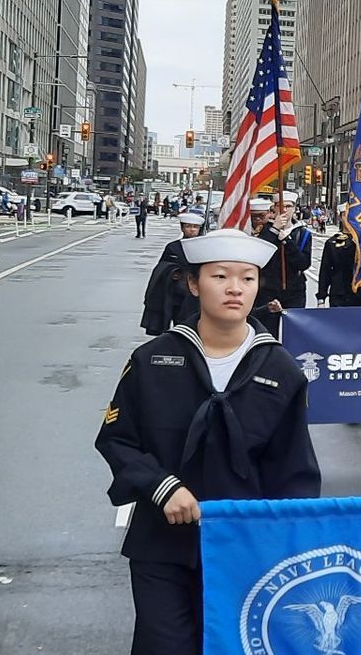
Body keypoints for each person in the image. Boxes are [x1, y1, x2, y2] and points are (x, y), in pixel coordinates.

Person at [95, 227, 322, 654]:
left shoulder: (281, 369)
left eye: (247, 278)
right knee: (163, 646)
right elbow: (117, 439)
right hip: (161, 544)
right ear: (194, 284)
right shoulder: (153, 360)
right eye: (220, 277)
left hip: (244, 549)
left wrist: (287, 543)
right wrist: (163, 488)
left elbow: (294, 474)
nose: (235, 288)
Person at [250, 198, 311, 336]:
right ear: (274, 209)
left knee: (295, 332)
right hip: (269, 289)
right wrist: (274, 230)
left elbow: (303, 263)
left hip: (294, 290)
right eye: (280, 206)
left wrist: (287, 242)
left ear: (294, 209)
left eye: (288, 206)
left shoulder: (302, 233)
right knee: (267, 331)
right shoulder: (264, 230)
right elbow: (259, 255)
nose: (284, 209)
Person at [142, 212, 204, 334]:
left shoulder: (205, 247)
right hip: (177, 294)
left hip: (198, 295)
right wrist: (173, 272)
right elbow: (162, 267)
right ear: (182, 228)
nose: (191, 230)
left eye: (195, 227)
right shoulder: (173, 247)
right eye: (188, 226)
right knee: (178, 324)